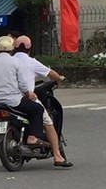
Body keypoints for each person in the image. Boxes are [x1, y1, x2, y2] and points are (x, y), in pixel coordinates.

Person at [12, 35, 72, 167]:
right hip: (25, 98)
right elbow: (50, 73)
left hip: (9, 98)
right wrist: (60, 78)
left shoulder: (11, 61)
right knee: (48, 123)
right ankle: (57, 156)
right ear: (29, 49)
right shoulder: (31, 62)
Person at [0, 36, 45, 148]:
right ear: (12, 49)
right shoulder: (15, 62)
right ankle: (32, 137)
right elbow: (22, 84)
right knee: (37, 109)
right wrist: (29, 94)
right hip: (14, 101)